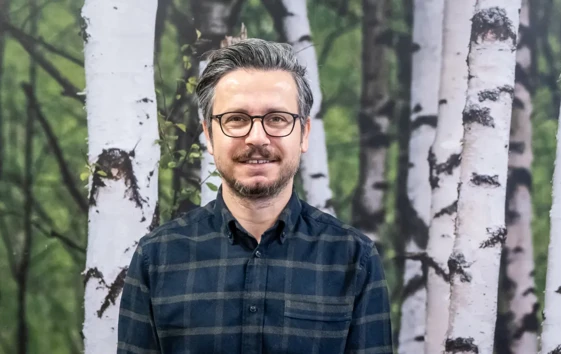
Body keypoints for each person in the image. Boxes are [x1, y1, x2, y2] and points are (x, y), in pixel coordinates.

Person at [117, 38, 393, 354]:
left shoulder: (354, 259)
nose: (257, 138)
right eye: (236, 119)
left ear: (303, 133)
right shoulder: (157, 258)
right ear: (209, 135)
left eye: (277, 118)